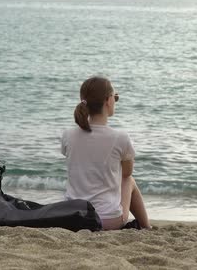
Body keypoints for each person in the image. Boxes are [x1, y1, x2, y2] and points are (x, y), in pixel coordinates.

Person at [61, 76, 151, 230]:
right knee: (129, 181)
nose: (115, 101)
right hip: (108, 220)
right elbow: (127, 173)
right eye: (115, 97)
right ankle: (147, 227)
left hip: (73, 216)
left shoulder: (68, 135)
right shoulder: (120, 137)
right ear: (108, 101)